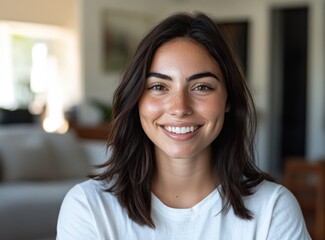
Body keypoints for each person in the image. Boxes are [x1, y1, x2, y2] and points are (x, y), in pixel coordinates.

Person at [56, 12, 311, 239]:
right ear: (136, 100)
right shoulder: (89, 208)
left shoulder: (273, 209)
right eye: (158, 87)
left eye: (201, 87)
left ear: (228, 100)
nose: (179, 108)